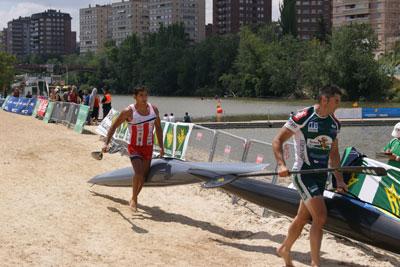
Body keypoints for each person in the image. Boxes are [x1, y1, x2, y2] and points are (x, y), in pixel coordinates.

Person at [272, 85, 347, 267]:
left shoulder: (334, 123)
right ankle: (315, 263)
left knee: (302, 217)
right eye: (336, 101)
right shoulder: (303, 117)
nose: (338, 105)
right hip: (303, 174)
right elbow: (277, 141)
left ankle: (284, 248)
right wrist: (282, 165)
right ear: (324, 100)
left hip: (322, 176)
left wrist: (339, 179)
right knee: (320, 217)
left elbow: (334, 154)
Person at [102, 86, 164, 212]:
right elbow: (113, 126)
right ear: (135, 97)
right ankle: (135, 199)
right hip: (134, 147)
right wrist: (106, 143)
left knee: (144, 177)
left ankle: (133, 197)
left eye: (145, 95)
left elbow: (158, 128)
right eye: (141, 95)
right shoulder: (128, 111)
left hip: (148, 147)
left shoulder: (154, 110)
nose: (144, 98)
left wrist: (162, 147)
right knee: (139, 173)